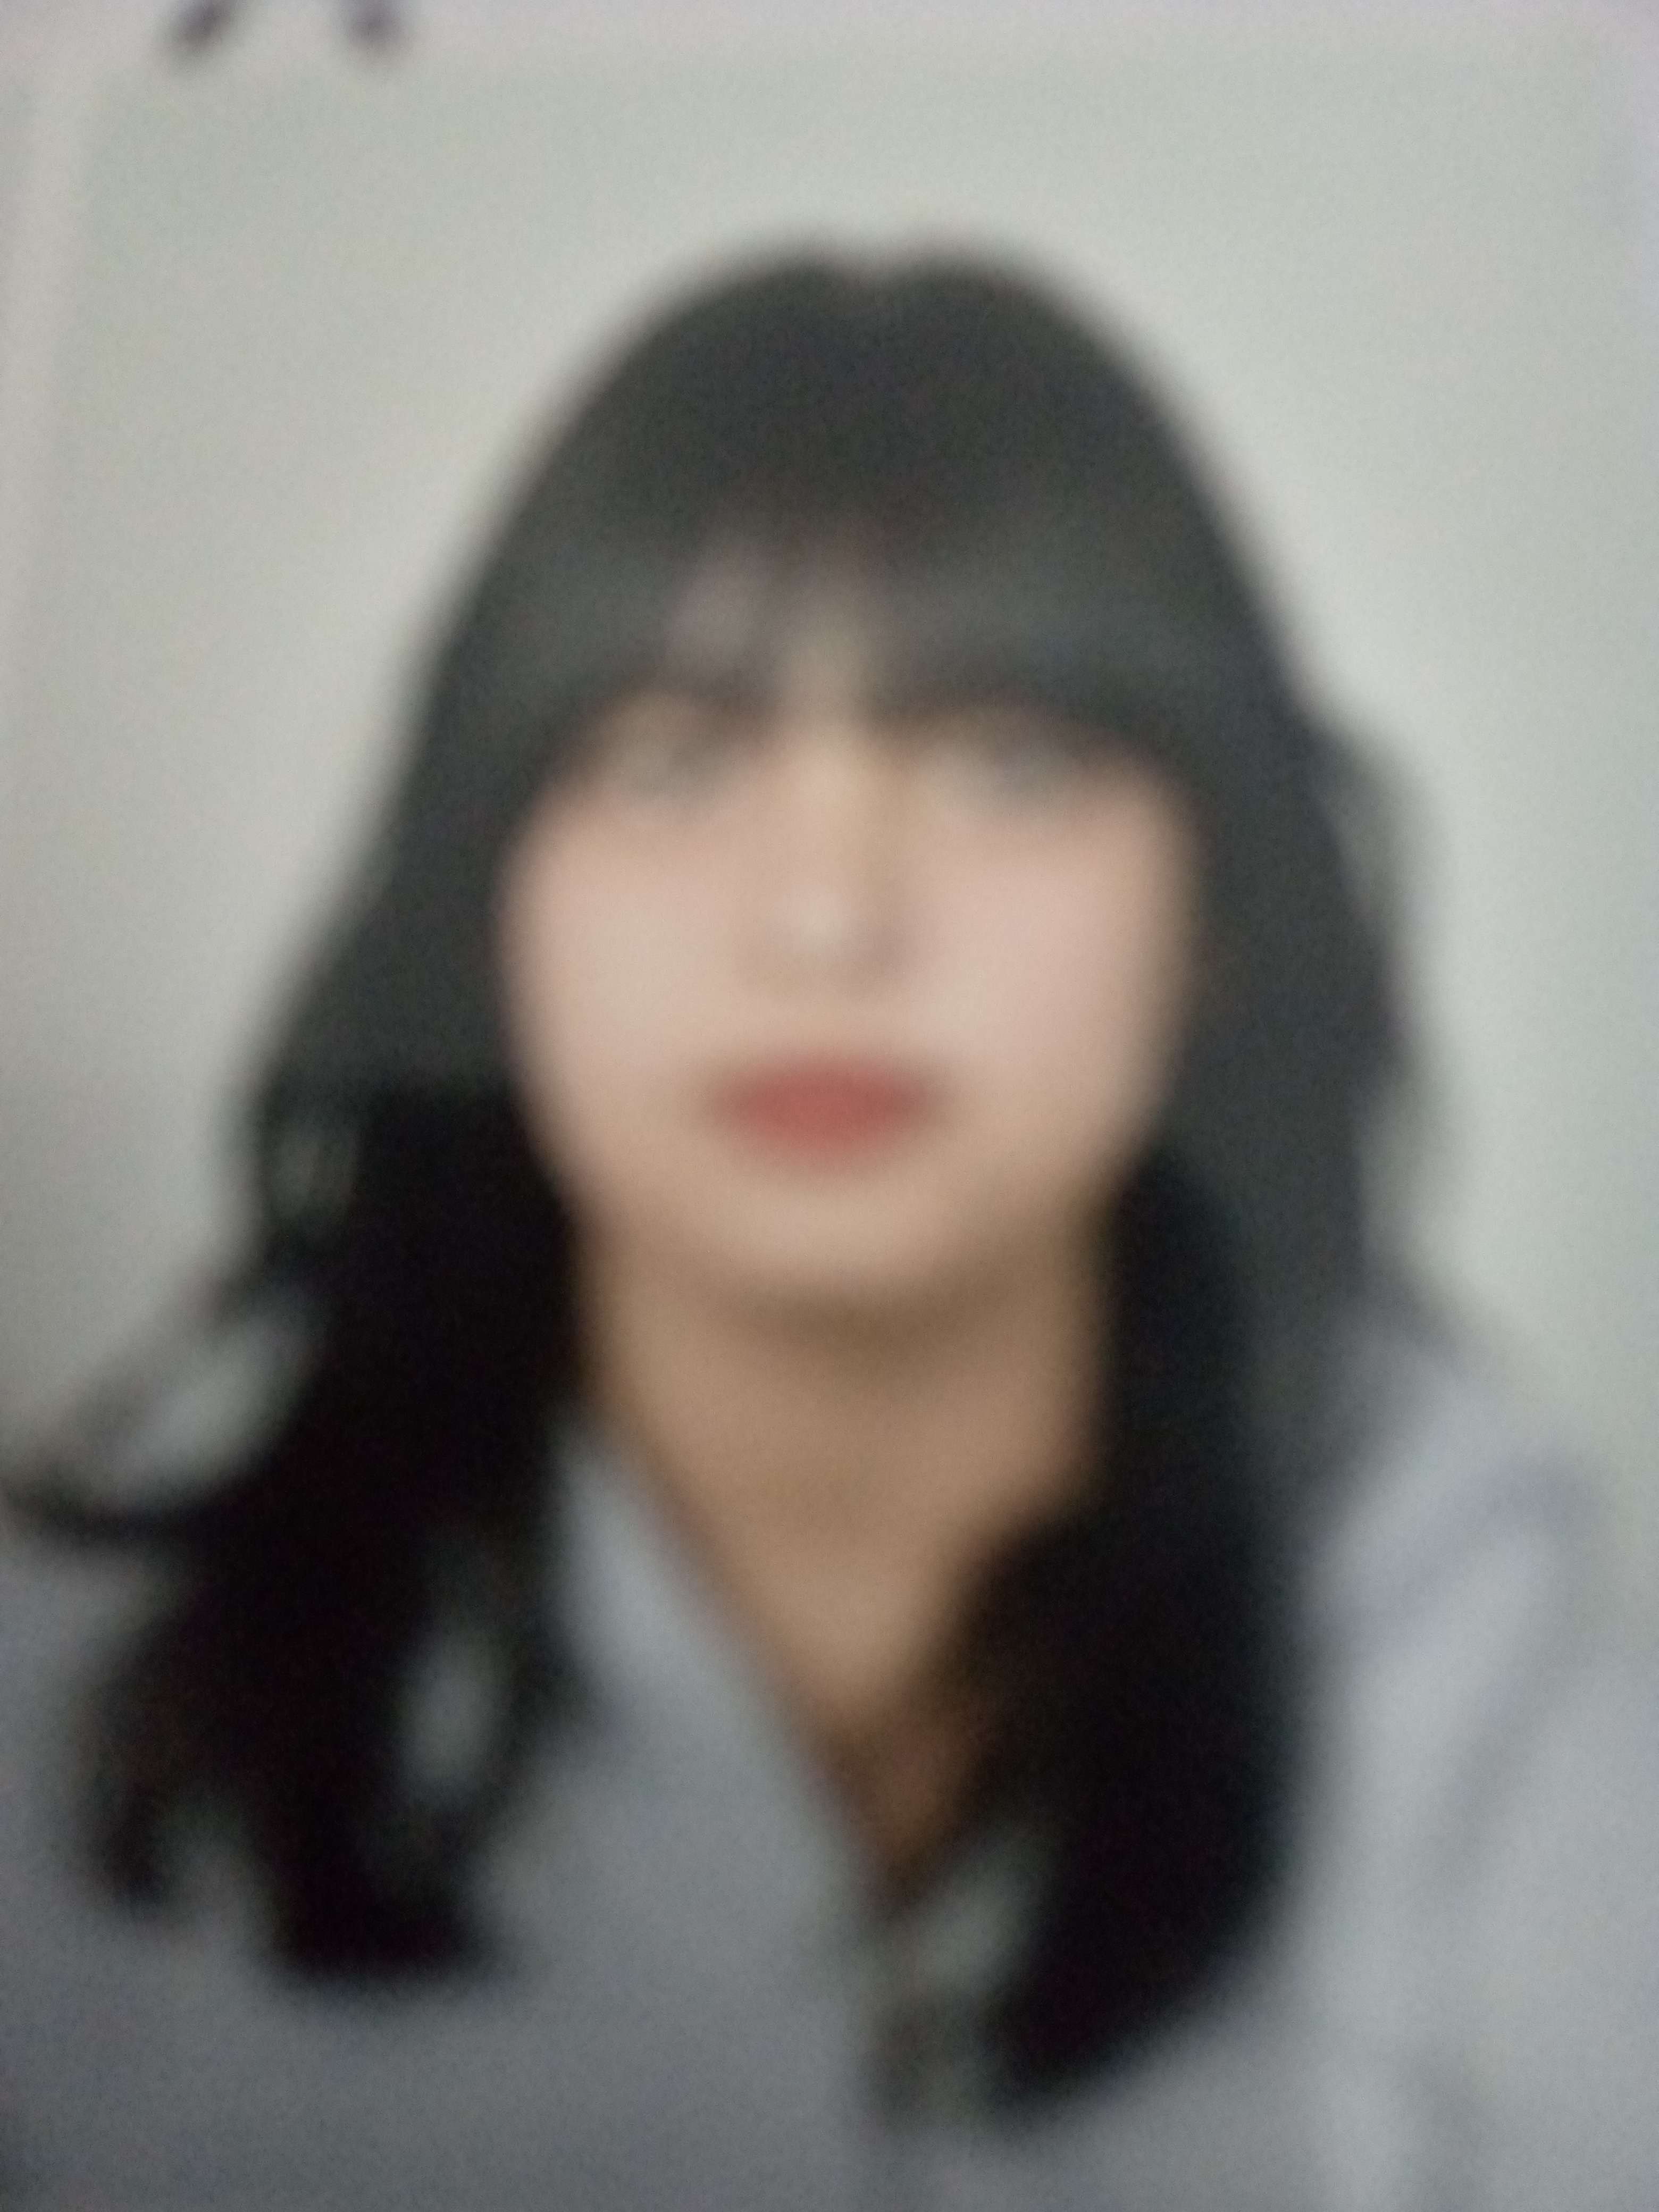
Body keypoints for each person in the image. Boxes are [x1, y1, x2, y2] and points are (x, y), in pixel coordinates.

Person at [1, 253, 1653, 2211]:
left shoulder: (1500, 1680)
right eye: (673, 763)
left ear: (1215, 907)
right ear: (484, 898)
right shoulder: (76, 1683)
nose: (826, 920)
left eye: (1009, 768)